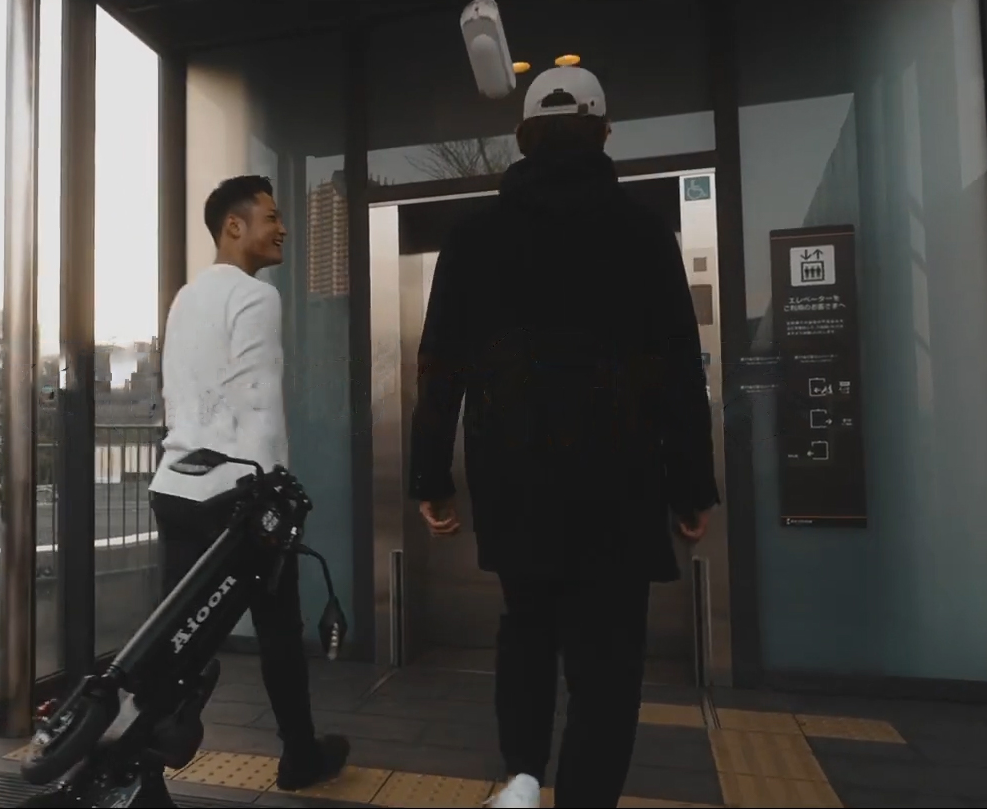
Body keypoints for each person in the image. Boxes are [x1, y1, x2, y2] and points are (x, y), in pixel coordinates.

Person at [407, 66, 720, 809]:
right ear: (604, 133)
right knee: (608, 661)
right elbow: (679, 367)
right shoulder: (644, 232)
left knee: (525, 622)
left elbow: (440, 364)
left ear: (523, 139)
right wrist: (692, 486)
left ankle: (521, 774)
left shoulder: (473, 236)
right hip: (620, 478)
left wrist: (431, 477)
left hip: (513, 476)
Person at [148, 174, 351, 792]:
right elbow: (260, 402)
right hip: (238, 497)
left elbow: (180, 395)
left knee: (178, 637)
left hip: (177, 486)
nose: (282, 228)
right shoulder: (257, 297)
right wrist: (275, 494)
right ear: (234, 226)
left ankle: (142, 768)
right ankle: (299, 756)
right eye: (271, 217)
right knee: (279, 631)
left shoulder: (186, 297)